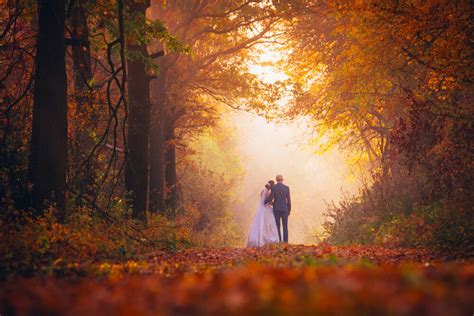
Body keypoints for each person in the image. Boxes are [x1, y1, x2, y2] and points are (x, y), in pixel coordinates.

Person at [247, 180, 279, 247]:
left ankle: (256, 239)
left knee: (259, 223)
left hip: (261, 209)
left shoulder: (262, 191)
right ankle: (266, 238)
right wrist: (274, 203)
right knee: (268, 223)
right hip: (266, 209)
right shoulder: (268, 193)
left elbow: (262, 200)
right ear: (269, 187)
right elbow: (268, 201)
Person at [265, 174, 291, 242]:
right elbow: (288, 200)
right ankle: (285, 242)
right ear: (283, 180)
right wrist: (289, 209)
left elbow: (271, 198)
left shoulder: (274, 188)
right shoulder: (287, 188)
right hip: (285, 209)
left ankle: (279, 241)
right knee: (285, 226)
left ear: (276, 180)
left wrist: (265, 201)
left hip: (276, 209)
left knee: (277, 225)